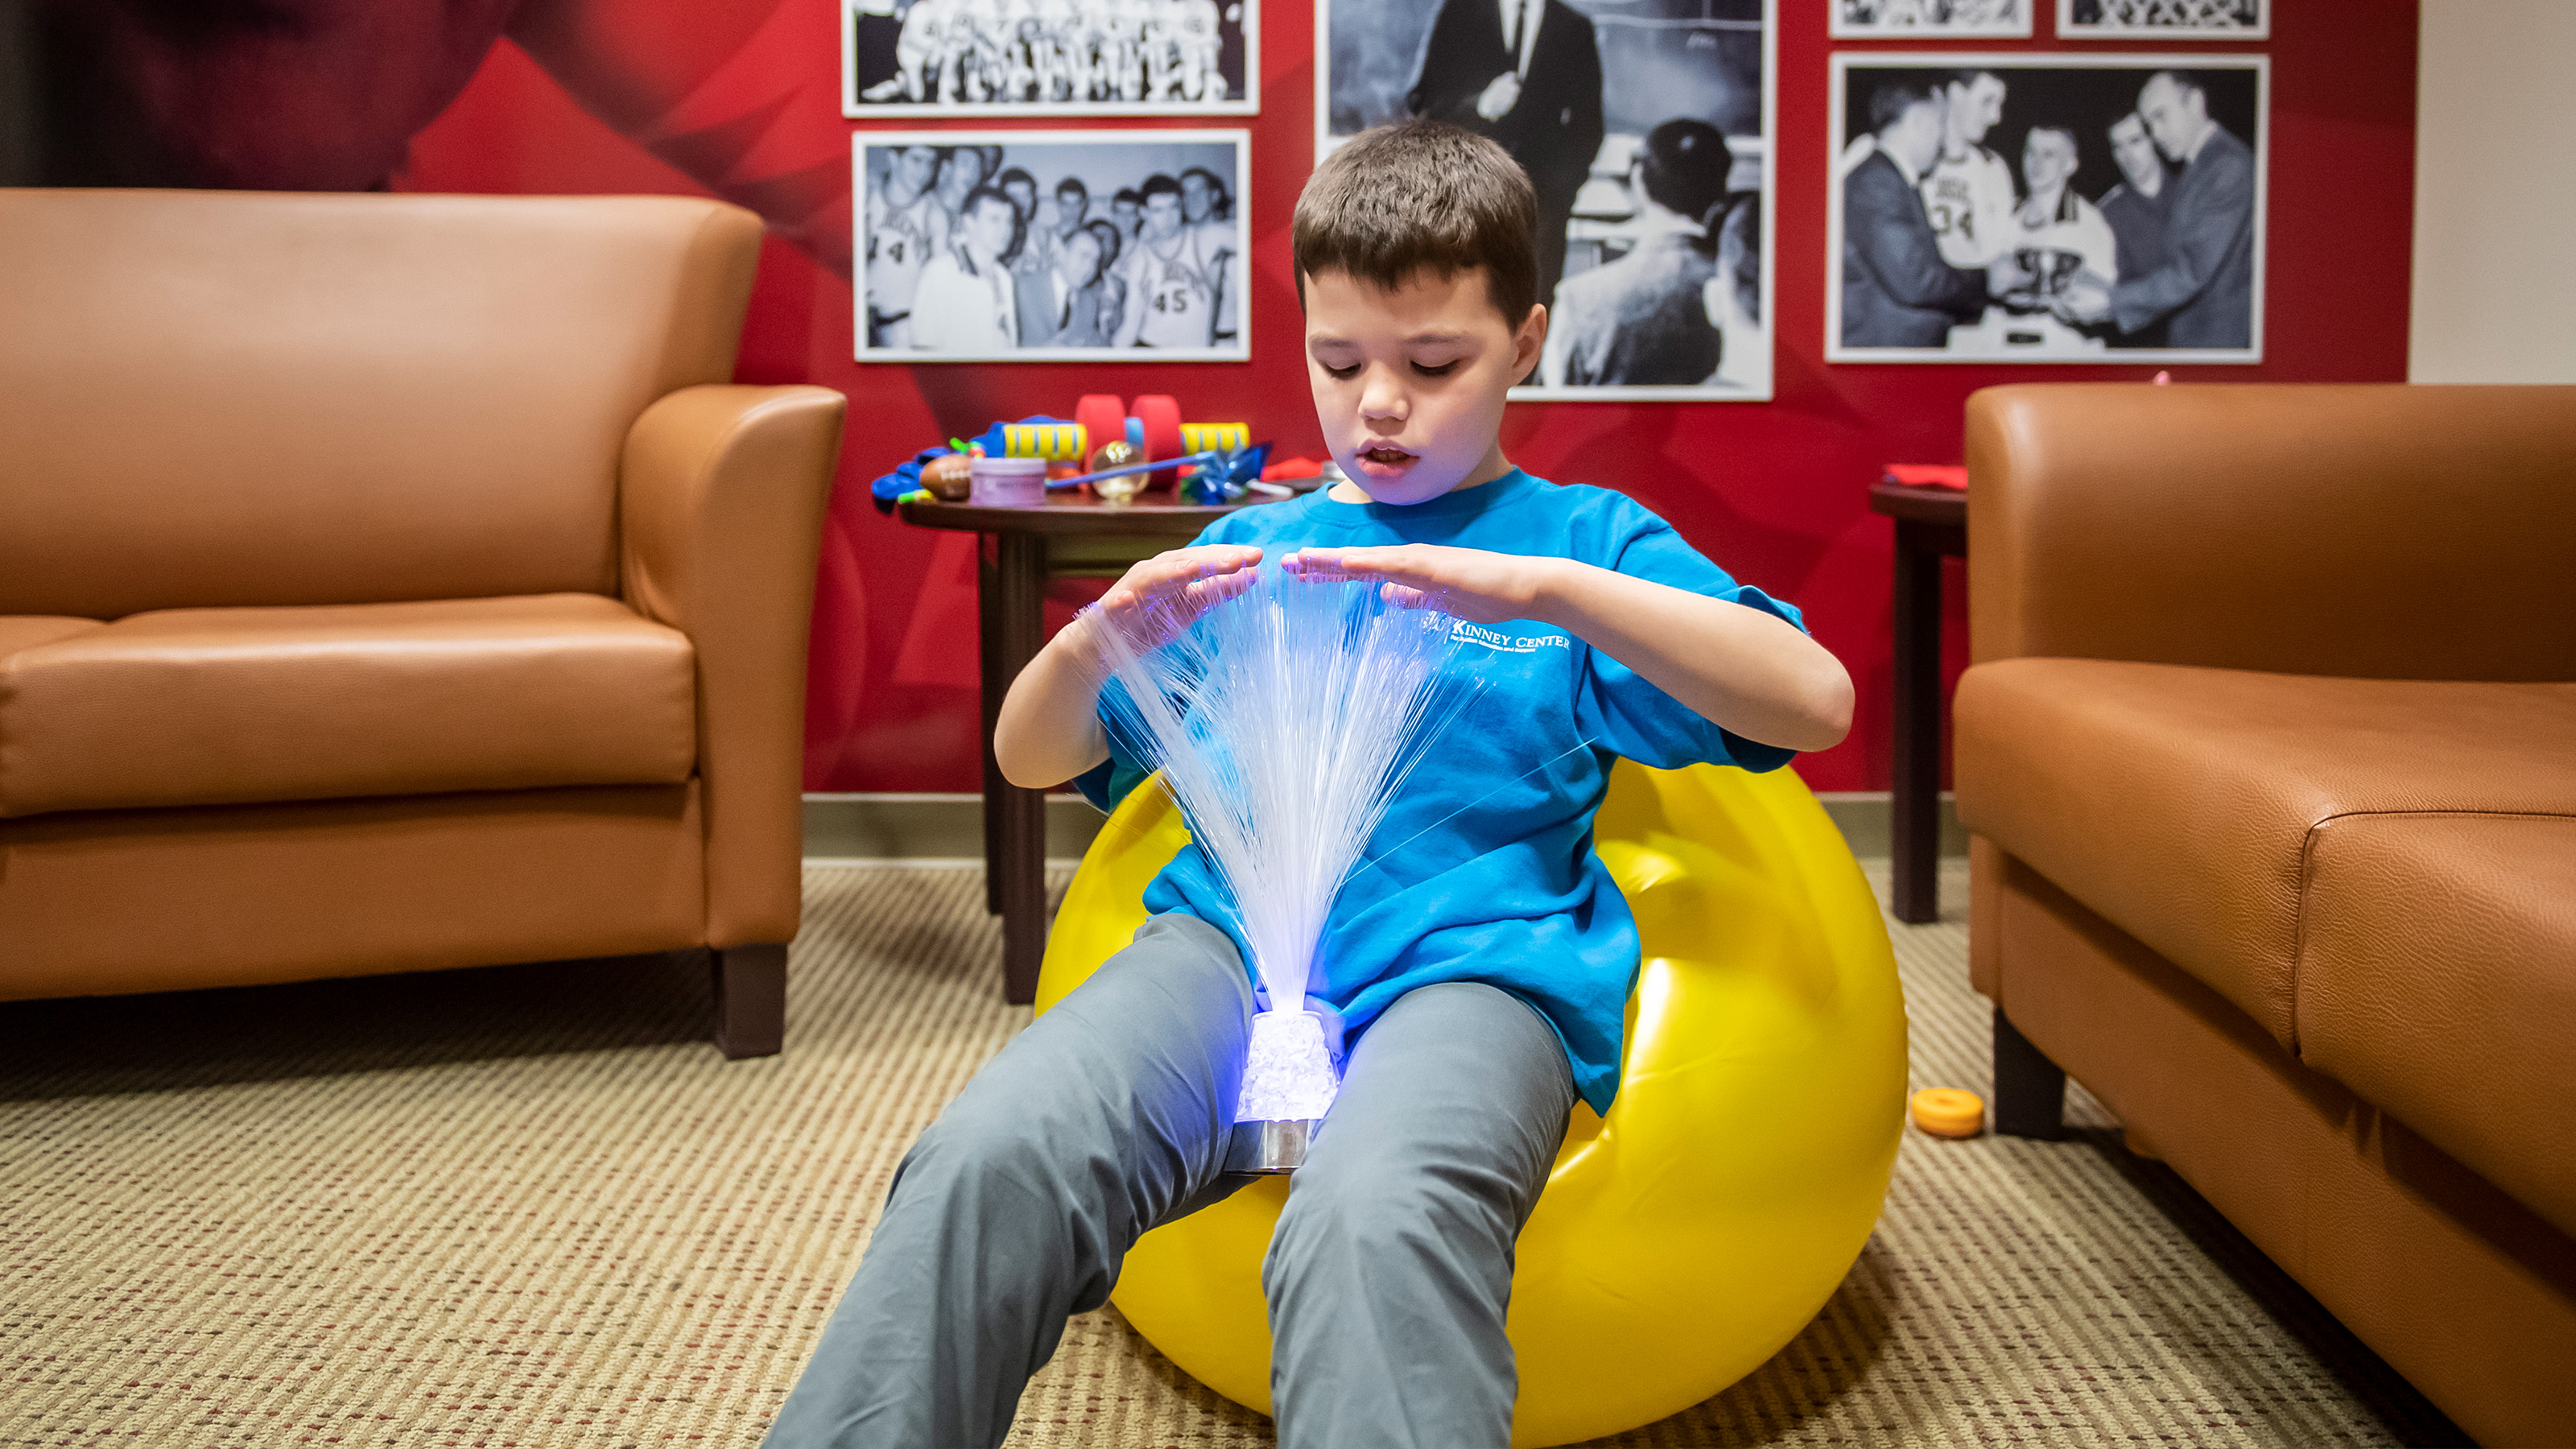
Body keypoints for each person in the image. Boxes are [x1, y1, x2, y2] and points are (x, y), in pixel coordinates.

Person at [760, 117, 1852, 1449]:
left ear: (1526, 342)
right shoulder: (1249, 550)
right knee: (986, 1160)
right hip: (1218, 955)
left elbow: (1813, 698)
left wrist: (1547, 589)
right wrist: (1102, 634)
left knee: (1374, 1217)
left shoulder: (1584, 544)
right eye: (1340, 362)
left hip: (1472, 978)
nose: (1379, 402)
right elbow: (1029, 756)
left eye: (1432, 362)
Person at [1405, 0, 1604, 314]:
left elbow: (1589, 125)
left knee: (1534, 311)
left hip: (1543, 208)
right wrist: (1480, 106)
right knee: (1462, 307)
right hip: (1465, 199)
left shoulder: (1573, 27)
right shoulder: (1459, 13)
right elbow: (1422, 101)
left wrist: (1562, 191)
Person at [2055, 70, 2255, 349]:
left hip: (2218, 343)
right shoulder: (2199, 167)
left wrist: (2112, 301)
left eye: (2161, 116)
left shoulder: (2226, 166)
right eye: (2150, 123)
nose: (2157, 134)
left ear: (2196, 103)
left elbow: (2191, 271)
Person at [1541, 118, 1729, 386]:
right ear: (1720, 191)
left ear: (1640, 182)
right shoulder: (1742, 295)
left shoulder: (1581, 299)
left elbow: (1557, 409)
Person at [1841, 76, 2023, 348]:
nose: (1941, 138)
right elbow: (1915, 279)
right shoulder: (1877, 182)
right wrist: (1988, 280)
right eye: (1939, 124)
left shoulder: (1894, 180)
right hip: (1887, 349)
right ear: (1917, 121)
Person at [1113, 173, 1225, 349]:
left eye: (1174, 207)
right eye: (1158, 210)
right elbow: (1130, 325)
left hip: (1195, 357)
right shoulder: (1140, 259)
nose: (1168, 218)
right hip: (1151, 350)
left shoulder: (1205, 239)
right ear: (1144, 213)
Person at [1920, 68, 2016, 269]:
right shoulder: (1909, 158)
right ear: (1956, 94)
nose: (1995, 117)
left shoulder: (1993, 167)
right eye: (1987, 101)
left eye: (1999, 104)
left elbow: (2001, 255)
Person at [909, 184, 1022, 351]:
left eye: (1009, 221)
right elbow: (924, 347)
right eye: (995, 219)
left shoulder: (1004, 277)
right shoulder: (941, 272)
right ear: (970, 223)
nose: (1005, 229)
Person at [2095, 111, 2173, 349]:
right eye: (2118, 147)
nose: (2127, 156)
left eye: (2135, 141)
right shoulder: (2106, 214)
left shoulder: (2193, 194)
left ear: (2154, 140)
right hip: (2142, 343)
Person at [864, 143, 951, 349]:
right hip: (861, 320)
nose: (924, 172)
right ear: (894, 159)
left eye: (930, 163)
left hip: (902, 327)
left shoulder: (934, 214)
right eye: (916, 160)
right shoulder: (866, 195)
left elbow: (940, 287)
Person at [2009, 126, 2117, 291]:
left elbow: (2104, 293)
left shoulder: (2089, 223)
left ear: (2070, 164)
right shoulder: (2007, 215)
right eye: (2031, 152)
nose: (2037, 163)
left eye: (2048, 154)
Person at [1014, 221, 1110, 346]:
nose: (1089, 268)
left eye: (1095, 261)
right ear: (1061, 253)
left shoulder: (1090, 301)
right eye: (1084, 256)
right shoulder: (1022, 288)